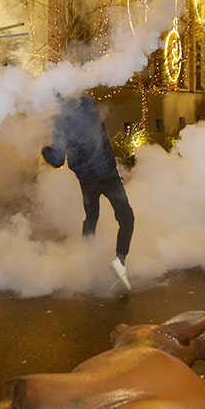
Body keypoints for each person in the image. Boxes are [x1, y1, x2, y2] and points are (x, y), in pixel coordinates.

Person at [42, 94, 134, 291]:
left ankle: (87, 264)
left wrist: (44, 149)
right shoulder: (89, 105)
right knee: (126, 217)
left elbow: (57, 160)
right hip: (108, 174)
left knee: (91, 218)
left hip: (87, 179)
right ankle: (120, 259)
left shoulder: (60, 123)